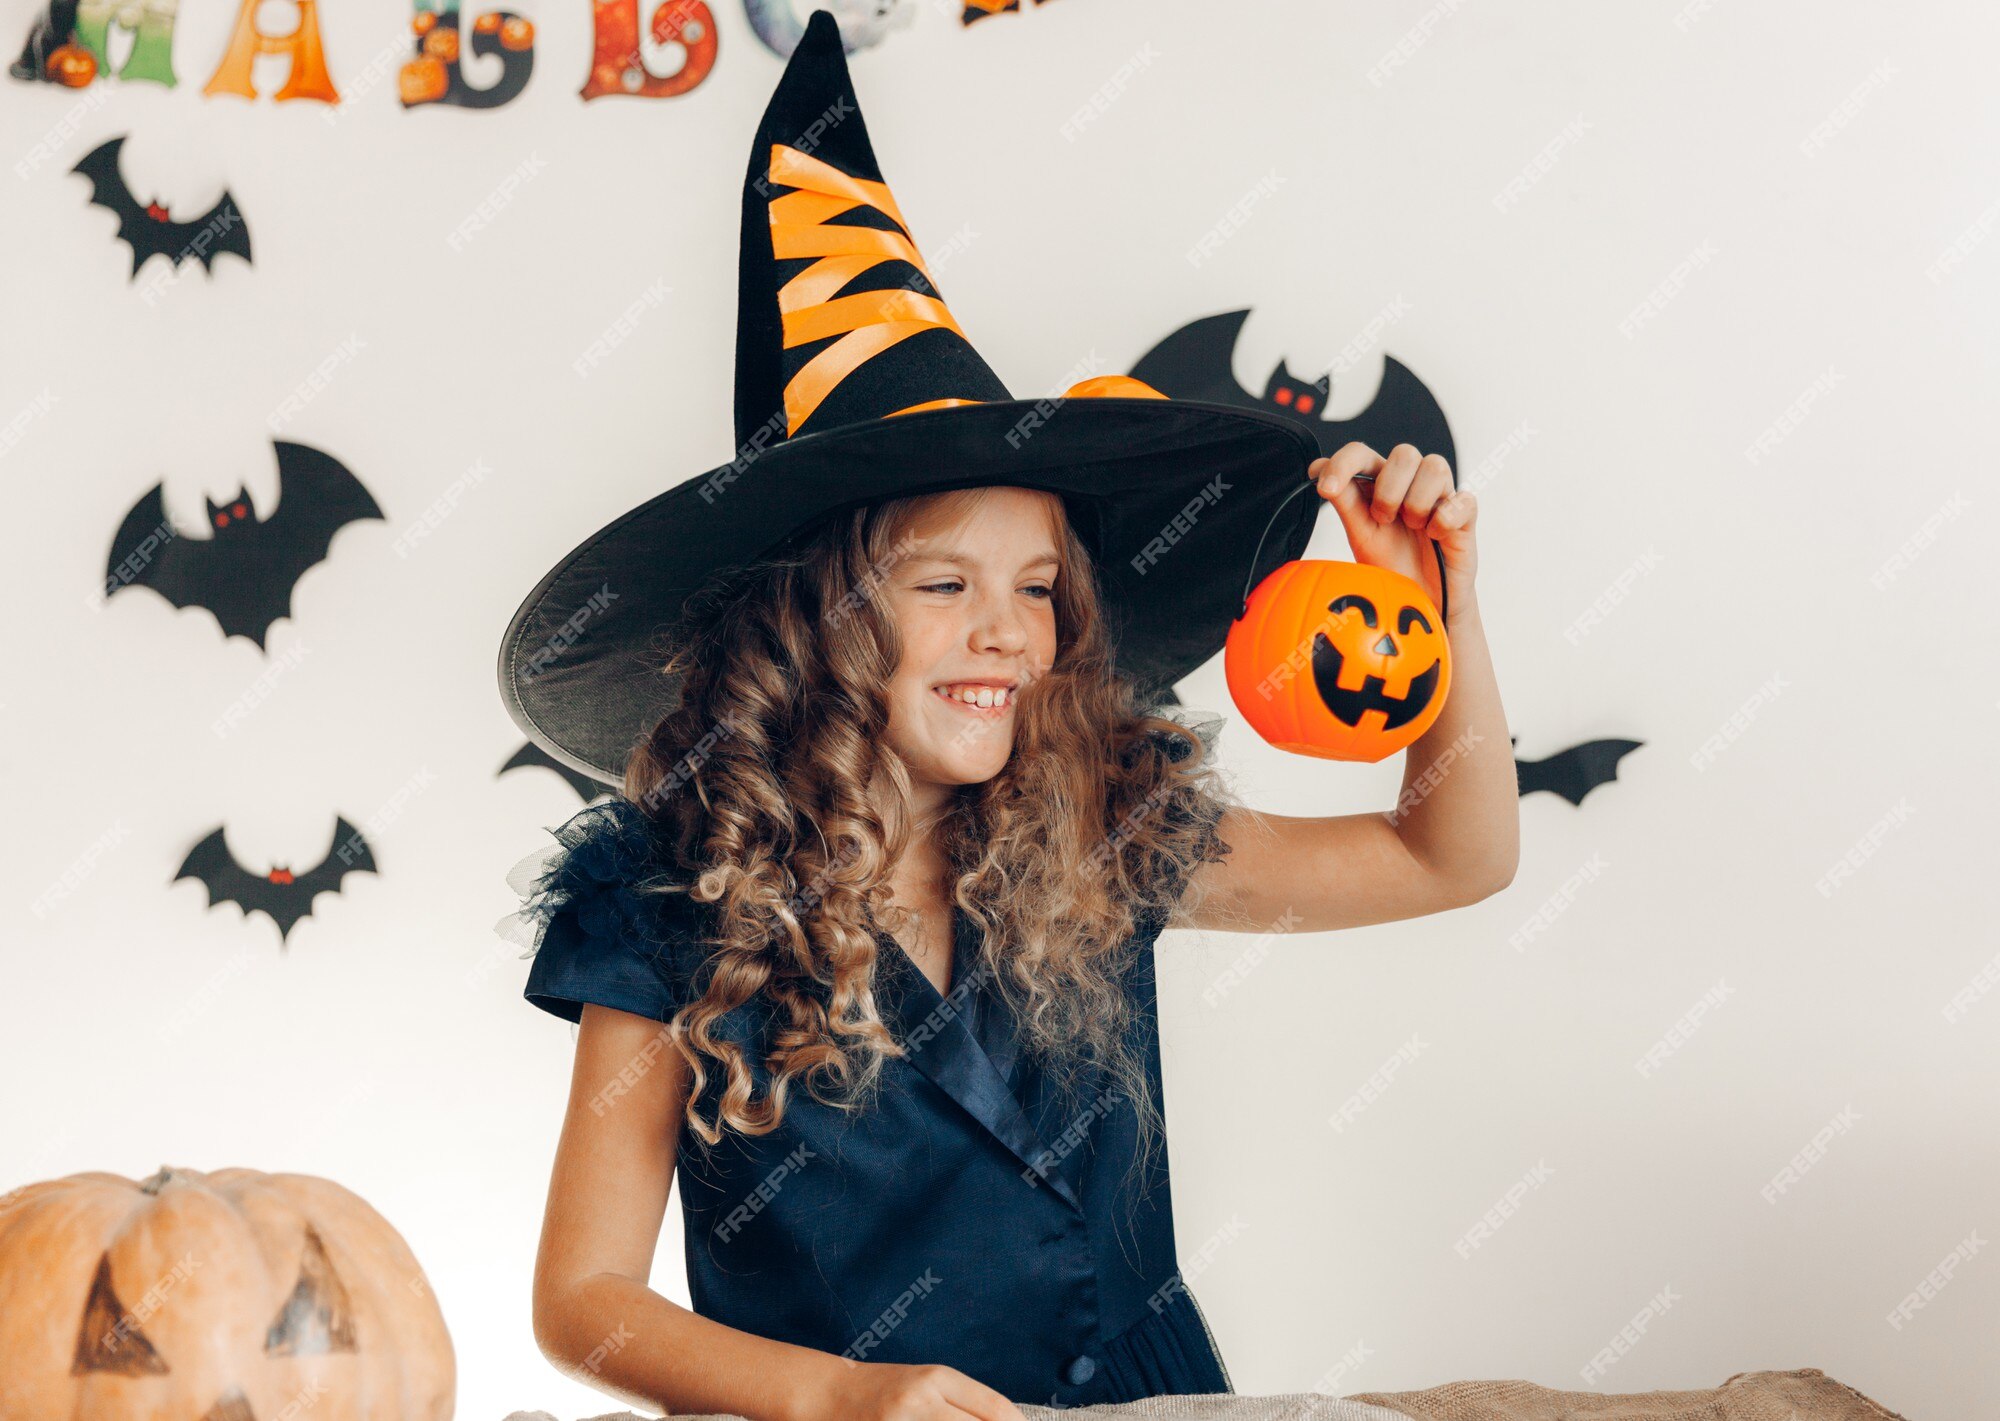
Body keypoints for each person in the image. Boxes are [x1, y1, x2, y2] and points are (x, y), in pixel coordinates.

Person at [492, 11, 1517, 1420]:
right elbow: (584, 1304)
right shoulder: (667, 907)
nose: (1006, 632)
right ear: (816, 613)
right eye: (944, 580)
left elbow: (1448, 858)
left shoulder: (1106, 832)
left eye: (1038, 587)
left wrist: (1441, 622)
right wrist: (849, 1399)